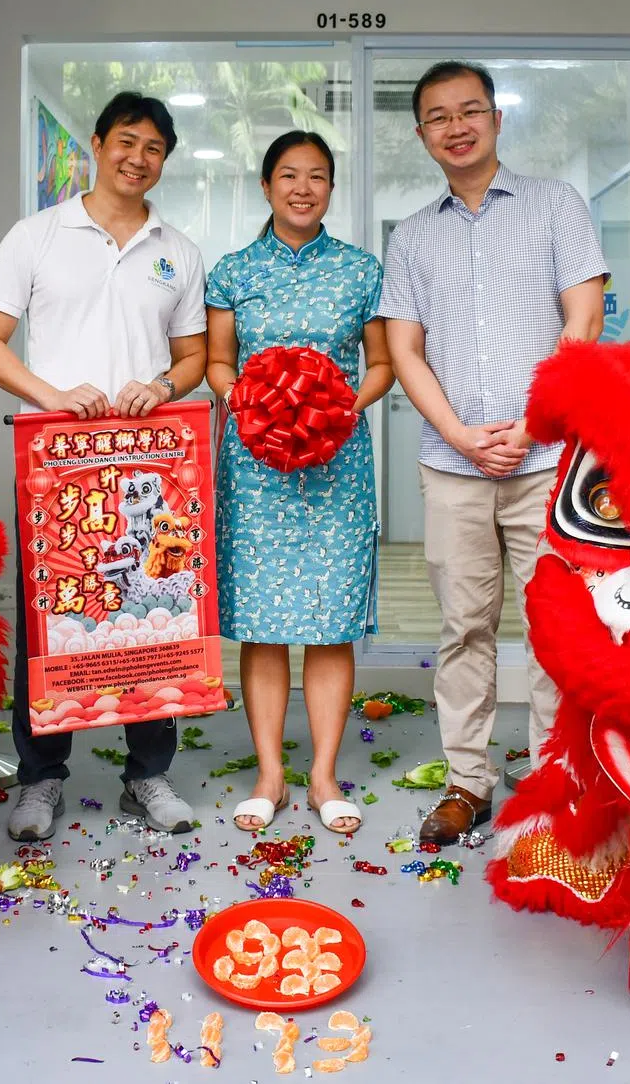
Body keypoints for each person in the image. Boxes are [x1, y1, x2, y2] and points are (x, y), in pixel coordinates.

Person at [0, 91, 208, 841]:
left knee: (155, 612)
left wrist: (164, 385)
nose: (138, 159)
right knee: (53, 617)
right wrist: (51, 394)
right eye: (126, 142)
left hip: (151, 464)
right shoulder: (38, 235)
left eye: (154, 150)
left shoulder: (179, 249)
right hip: (58, 464)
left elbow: (195, 355)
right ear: (97, 144)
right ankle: (41, 779)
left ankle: (149, 774)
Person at [379, 60, 608, 845]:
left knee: (555, 629)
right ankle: (468, 784)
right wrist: (458, 432)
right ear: (422, 135)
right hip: (453, 468)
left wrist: (537, 421)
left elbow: (584, 317)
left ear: (497, 118)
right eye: (438, 117)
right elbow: (406, 350)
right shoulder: (412, 235)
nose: (456, 126)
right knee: (464, 629)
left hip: (547, 460)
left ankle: (555, 778)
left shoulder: (555, 205)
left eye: (469, 110)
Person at [205, 131, 393, 836]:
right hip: (256, 467)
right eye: (289, 175)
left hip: (337, 462)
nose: (303, 188)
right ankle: (269, 774)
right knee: (262, 623)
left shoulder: (360, 270)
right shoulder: (232, 270)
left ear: (330, 189)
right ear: (265, 186)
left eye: (317, 176)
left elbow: (380, 364)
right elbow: (219, 363)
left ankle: (322, 774)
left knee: (330, 620)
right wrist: (258, 406)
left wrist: (338, 406)